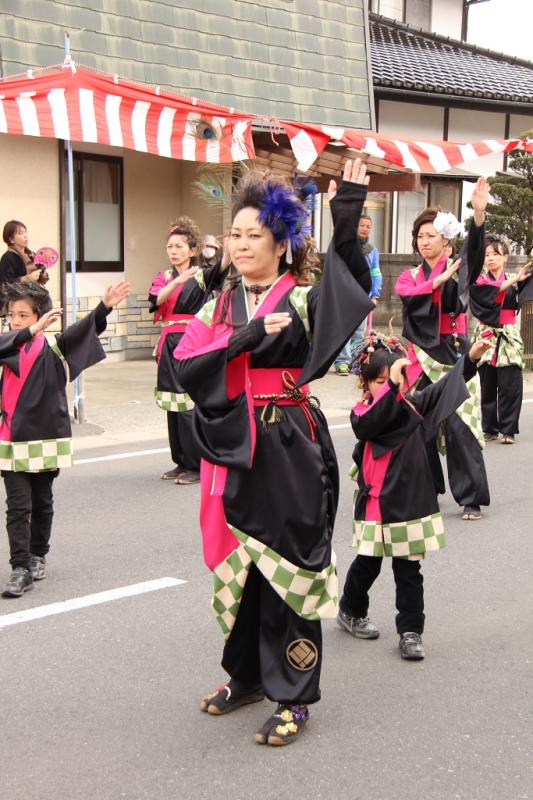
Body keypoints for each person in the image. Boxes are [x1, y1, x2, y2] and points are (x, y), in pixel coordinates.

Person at [174, 160, 373, 746]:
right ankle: (247, 675)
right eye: (233, 234)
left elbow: (352, 287)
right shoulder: (218, 306)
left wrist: (347, 214)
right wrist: (246, 337)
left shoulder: (306, 299)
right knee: (241, 564)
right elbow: (184, 367)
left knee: (287, 566)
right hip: (231, 444)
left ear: (283, 244)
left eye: (253, 234)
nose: (239, 244)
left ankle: (293, 693)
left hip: (288, 442)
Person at [337, 332, 493, 660]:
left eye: (395, 378)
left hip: (411, 502)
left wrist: (471, 359)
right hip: (378, 500)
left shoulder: (414, 404)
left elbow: (442, 389)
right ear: (365, 383)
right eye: (380, 380)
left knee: (409, 570)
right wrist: (392, 388)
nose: (390, 384)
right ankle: (350, 609)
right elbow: (372, 424)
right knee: (368, 562)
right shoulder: (362, 413)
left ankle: (411, 632)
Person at [0, 279, 130, 598]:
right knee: (17, 506)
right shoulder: (7, 344)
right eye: (10, 316)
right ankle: (20, 569)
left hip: (46, 437)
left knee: (42, 502)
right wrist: (28, 331)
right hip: (11, 439)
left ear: (41, 316)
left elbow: (87, 329)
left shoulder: (54, 348)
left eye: (23, 315)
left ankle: (37, 554)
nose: (14, 321)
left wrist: (105, 307)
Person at [395, 182, 490, 521]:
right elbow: (410, 296)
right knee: (415, 425)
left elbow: (475, 254)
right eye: (420, 235)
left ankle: (470, 497)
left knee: (459, 424)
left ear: (447, 240)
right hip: (419, 356)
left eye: (432, 235)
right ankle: (426, 491)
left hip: (452, 352)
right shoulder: (408, 276)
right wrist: (436, 280)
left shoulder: (460, 267)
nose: (424, 241)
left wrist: (478, 215)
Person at [148, 218, 230, 485]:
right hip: (169, 342)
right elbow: (156, 300)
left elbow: (222, 267)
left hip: (192, 340)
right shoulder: (164, 277)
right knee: (172, 403)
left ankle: (197, 463)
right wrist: (176, 281)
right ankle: (181, 460)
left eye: (179, 246)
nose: (173, 250)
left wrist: (230, 247)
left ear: (193, 250)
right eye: (170, 246)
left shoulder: (201, 275)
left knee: (189, 403)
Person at [469, 236, 533, 444]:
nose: (491, 259)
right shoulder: (480, 281)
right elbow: (491, 291)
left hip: (508, 333)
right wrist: (515, 280)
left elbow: (525, 290)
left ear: (506, 257)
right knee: (487, 384)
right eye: (487, 255)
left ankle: (508, 430)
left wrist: (524, 276)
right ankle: (489, 427)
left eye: (496, 254)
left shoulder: (517, 278)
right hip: (486, 333)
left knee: (510, 384)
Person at [334, 213, 381, 375]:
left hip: (364, 296)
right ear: (355, 226)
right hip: (345, 295)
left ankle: (356, 361)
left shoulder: (373, 250)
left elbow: (376, 272)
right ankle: (342, 362)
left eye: (368, 226)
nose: (365, 229)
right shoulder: (345, 246)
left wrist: (375, 295)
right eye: (362, 225)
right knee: (344, 330)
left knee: (359, 332)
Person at [0, 220, 47, 287]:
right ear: (11, 239)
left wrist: (42, 273)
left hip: (36, 295)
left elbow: (42, 281)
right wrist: (28, 278)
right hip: (20, 297)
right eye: (21, 233)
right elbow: (4, 284)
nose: (26, 236)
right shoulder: (8, 257)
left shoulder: (32, 254)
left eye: (26, 232)